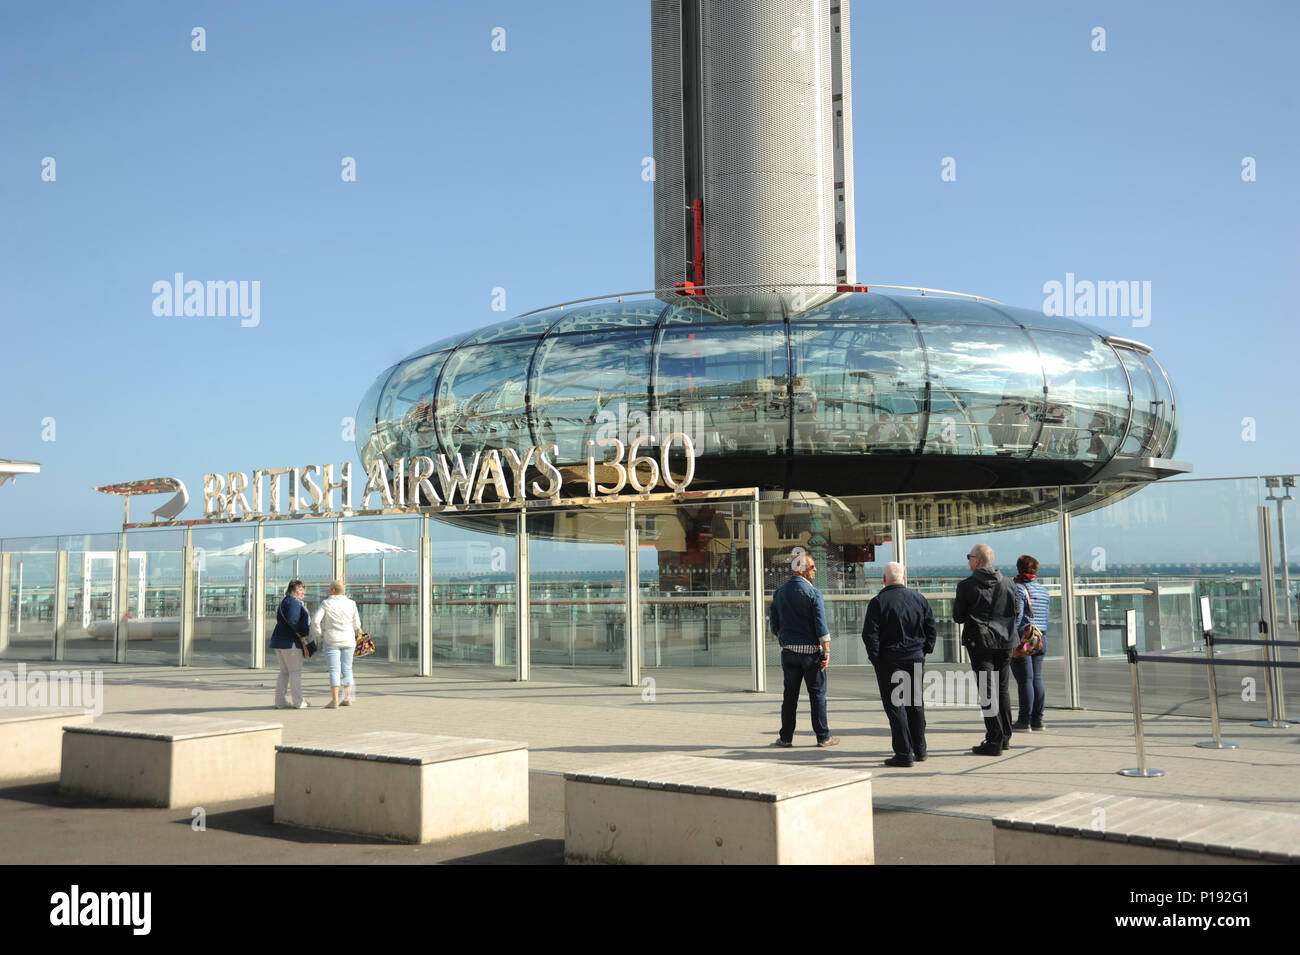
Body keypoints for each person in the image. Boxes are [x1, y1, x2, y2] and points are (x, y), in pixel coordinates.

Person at [861, 562, 937, 767]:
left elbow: (870, 634)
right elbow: (931, 627)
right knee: (915, 703)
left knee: (896, 706)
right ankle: (920, 749)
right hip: (915, 657)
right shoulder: (919, 599)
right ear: (903, 578)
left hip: (890, 660)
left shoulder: (878, 602)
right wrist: (925, 649)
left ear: (884, 579)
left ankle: (904, 753)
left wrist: (876, 658)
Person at [953, 544, 1019, 755]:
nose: (968, 560)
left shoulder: (966, 586)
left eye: (969, 557)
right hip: (1006, 641)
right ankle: (1005, 737)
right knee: (1002, 688)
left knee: (987, 690)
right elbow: (1016, 610)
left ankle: (994, 740)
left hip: (980, 643)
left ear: (977, 561)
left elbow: (958, 617)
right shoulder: (1009, 583)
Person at [769, 553, 838, 748]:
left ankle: (786, 737)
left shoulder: (780, 592)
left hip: (789, 652)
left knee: (789, 696)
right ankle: (823, 737)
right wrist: (827, 650)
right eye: (812, 567)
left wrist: (783, 637)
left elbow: (774, 623)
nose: (815, 570)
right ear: (800, 569)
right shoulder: (814, 593)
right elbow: (820, 624)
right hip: (810, 654)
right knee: (817, 696)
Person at [1010, 554, 1050, 731]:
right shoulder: (1043, 590)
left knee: (1025, 680)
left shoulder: (1019, 588)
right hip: (1041, 637)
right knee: (1037, 679)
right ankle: (1038, 720)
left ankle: (1024, 720)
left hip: (1024, 638)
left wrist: (1012, 638)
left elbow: (1018, 617)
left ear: (1019, 568)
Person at [312, 579, 362, 709]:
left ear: (333, 590)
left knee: (334, 670)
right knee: (347, 669)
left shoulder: (326, 603)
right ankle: (347, 698)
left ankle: (334, 700)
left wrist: (320, 634)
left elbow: (316, 621)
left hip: (331, 640)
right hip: (348, 640)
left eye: (330, 588)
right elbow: (357, 625)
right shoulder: (352, 603)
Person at [270, 579, 311, 709]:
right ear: (297, 590)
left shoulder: (284, 601)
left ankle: (280, 701)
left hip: (279, 640)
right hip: (291, 642)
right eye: (302, 592)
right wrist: (305, 632)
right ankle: (298, 701)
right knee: (295, 671)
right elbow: (294, 621)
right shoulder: (294, 602)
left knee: (284, 672)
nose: (303, 595)